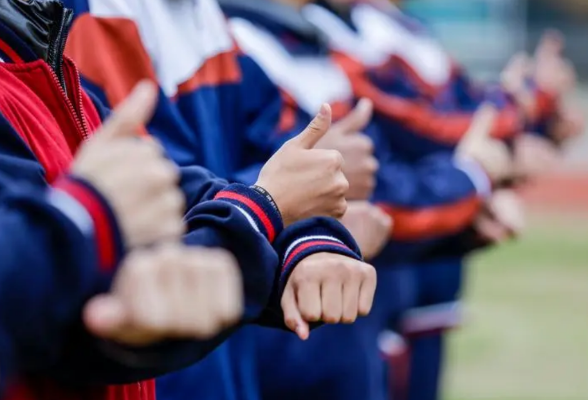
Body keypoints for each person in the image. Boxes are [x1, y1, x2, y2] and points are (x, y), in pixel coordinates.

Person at [0, 1, 377, 399]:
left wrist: (303, 236)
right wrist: (268, 206)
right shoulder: (91, 19)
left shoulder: (39, 40)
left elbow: (173, 182)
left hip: (220, 353)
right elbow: (116, 225)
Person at [303, 1, 581, 400]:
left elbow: (460, 102)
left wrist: (532, 122)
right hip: (381, 248)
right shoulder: (323, 31)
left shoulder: (398, 26)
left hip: (427, 239)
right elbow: (419, 123)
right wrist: (520, 110)